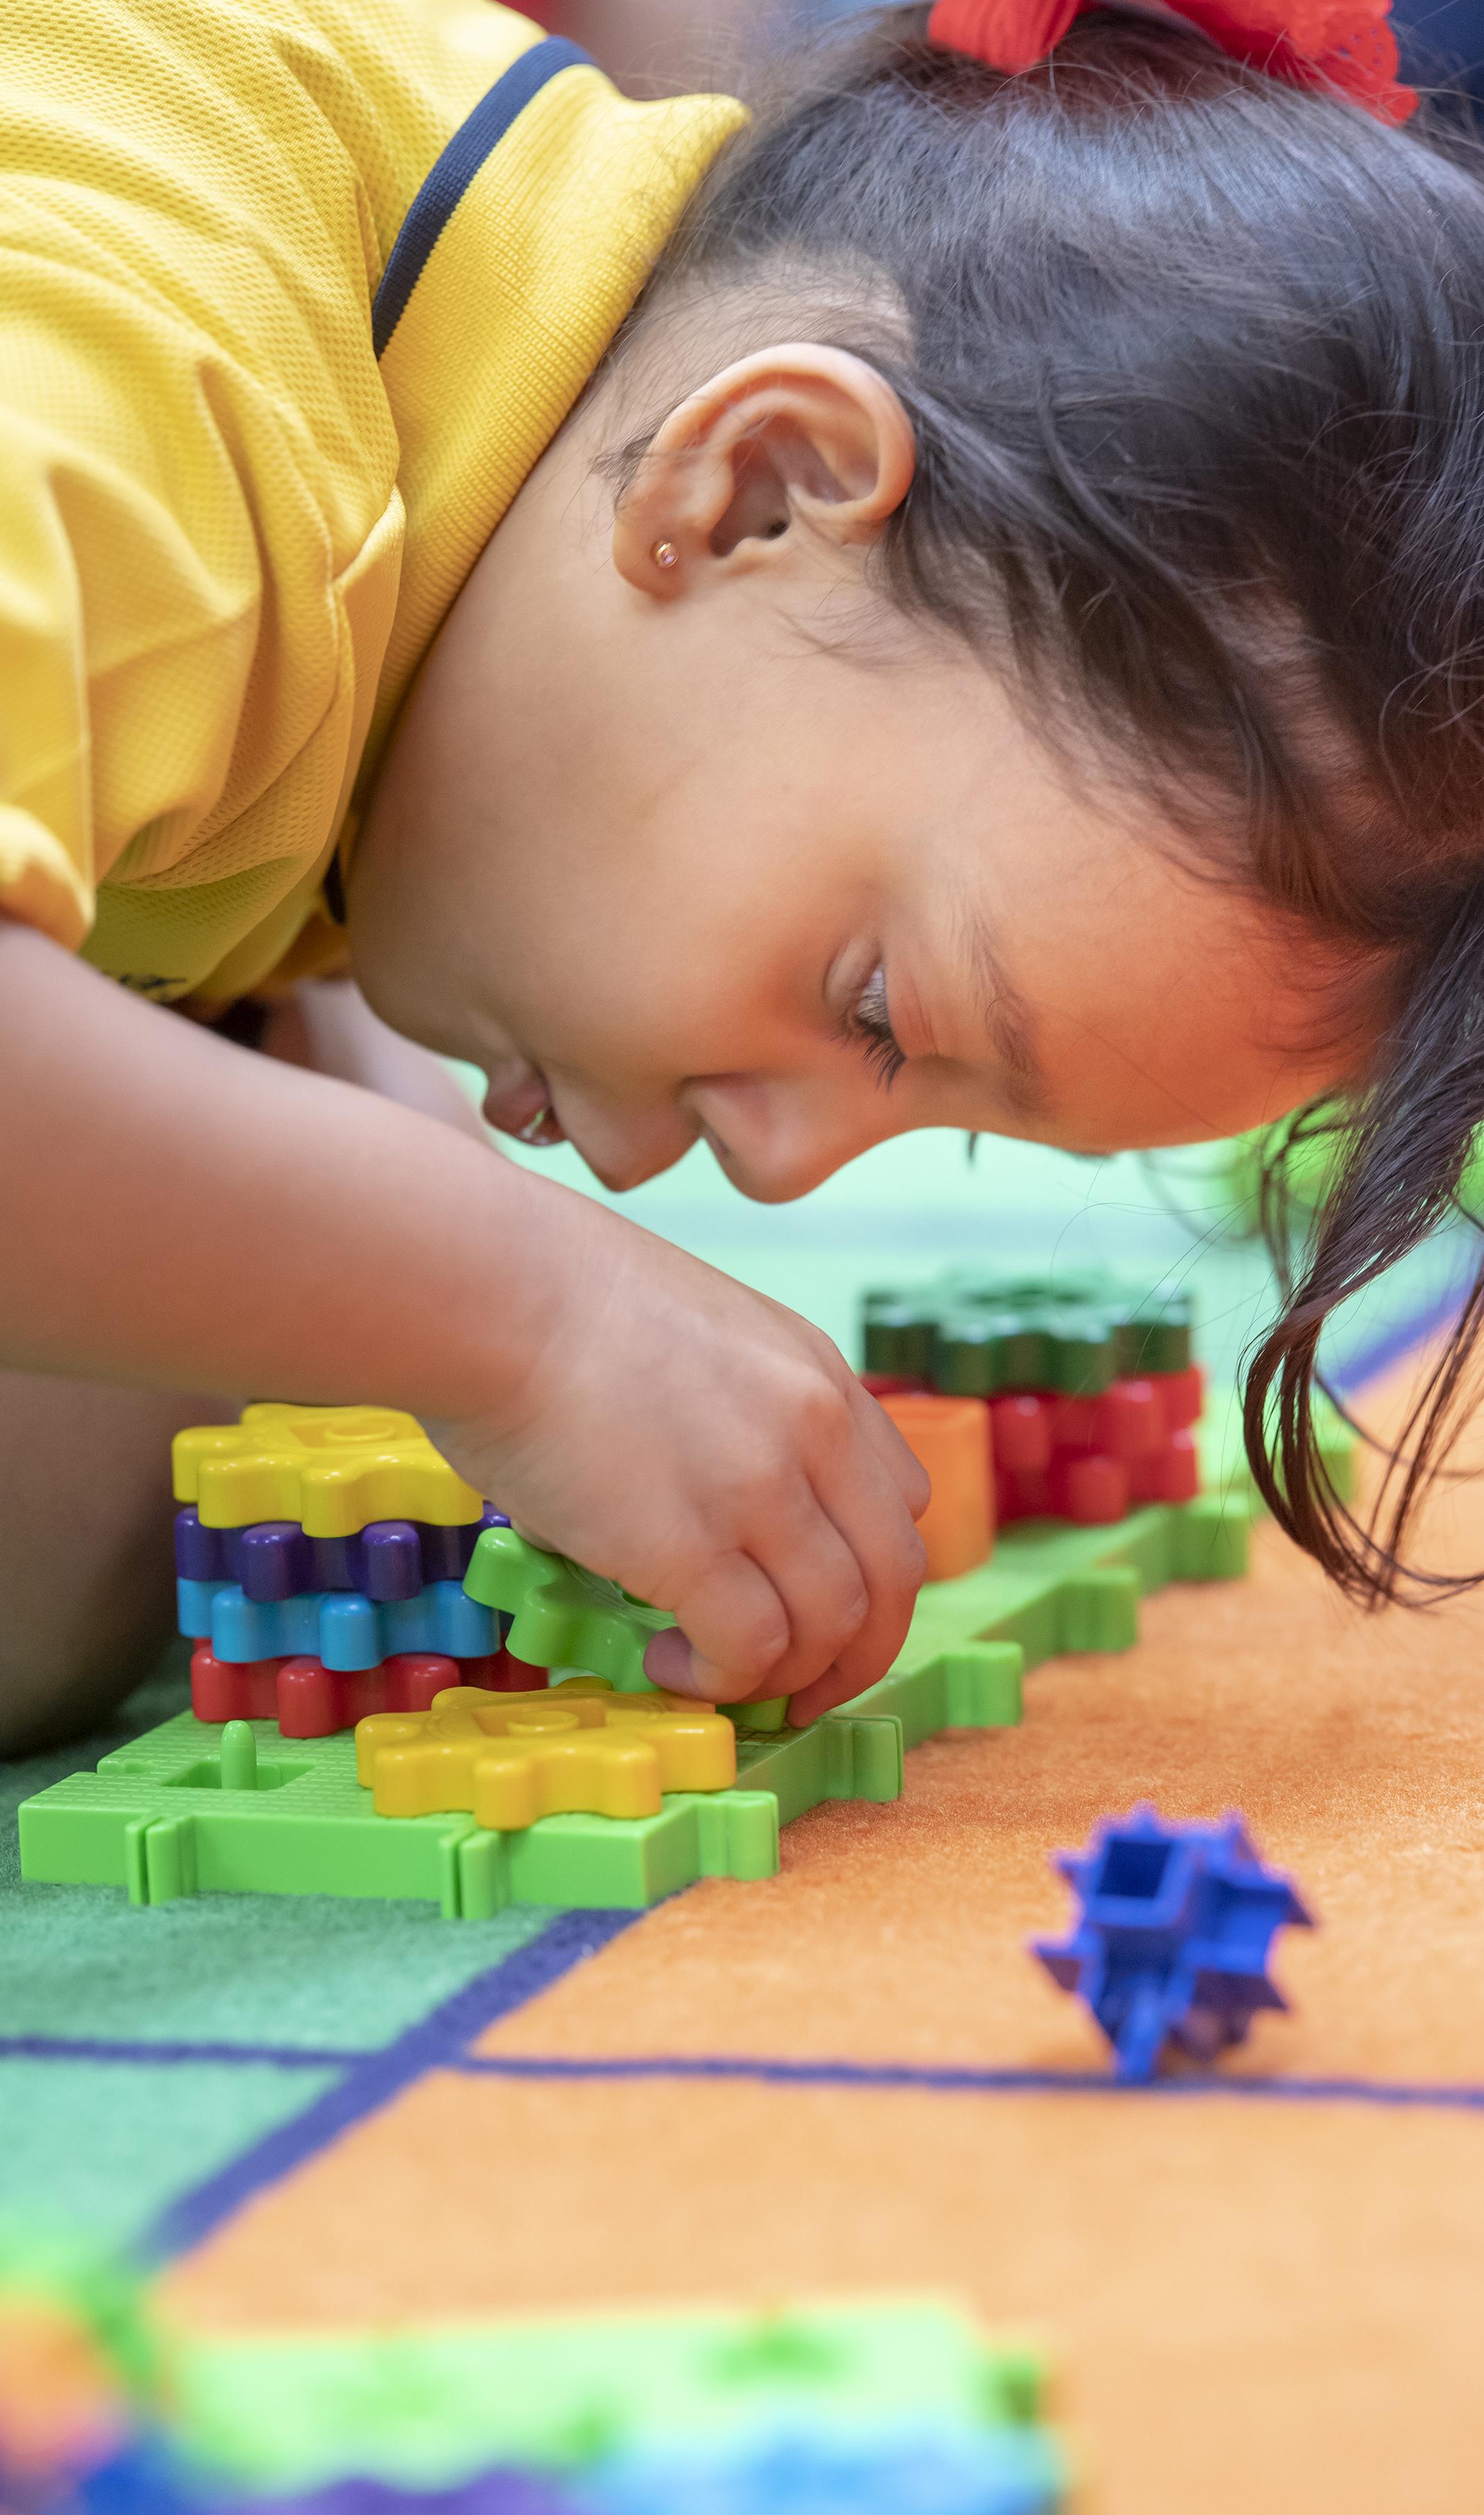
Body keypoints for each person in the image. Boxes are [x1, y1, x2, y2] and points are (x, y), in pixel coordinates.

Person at [5, 0, 1484, 1757]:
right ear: (756, 485)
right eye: (878, 1010)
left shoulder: (488, 465)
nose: (770, 1177)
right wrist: (516, 1307)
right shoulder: (148, 358)